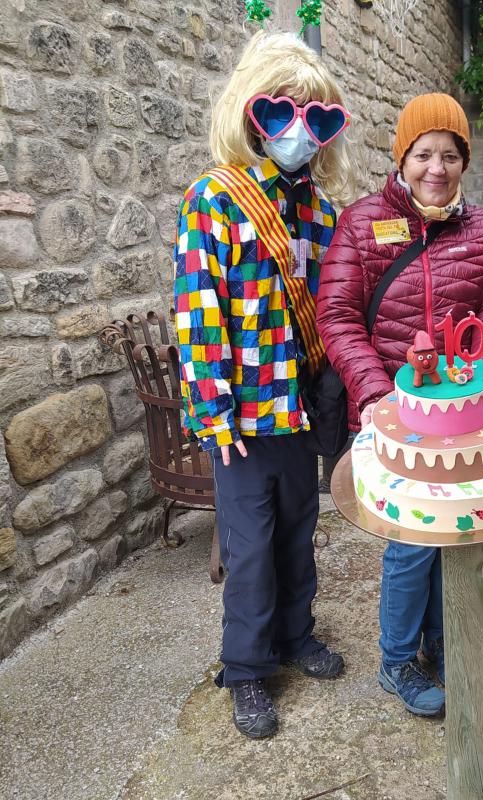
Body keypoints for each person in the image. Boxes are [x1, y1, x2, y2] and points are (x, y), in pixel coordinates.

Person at [173, 31, 356, 739]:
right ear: (253, 114)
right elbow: (197, 315)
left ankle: (294, 634)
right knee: (248, 548)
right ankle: (246, 669)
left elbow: (334, 304)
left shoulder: (319, 207)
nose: (299, 133)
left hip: (300, 407)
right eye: (284, 113)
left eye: (318, 117)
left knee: (298, 533)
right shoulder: (213, 199)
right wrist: (216, 418)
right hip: (243, 420)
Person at [317, 93, 483, 716]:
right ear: (402, 158)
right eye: (424, 153)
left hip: (464, 418)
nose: (437, 167)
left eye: (450, 155)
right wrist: (379, 397)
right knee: (412, 540)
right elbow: (339, 315)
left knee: (455, 535)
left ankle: (439, 638)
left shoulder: (482, 230)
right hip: (391, 417)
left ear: (464, 161)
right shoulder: (361, 222)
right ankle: (397, 660)